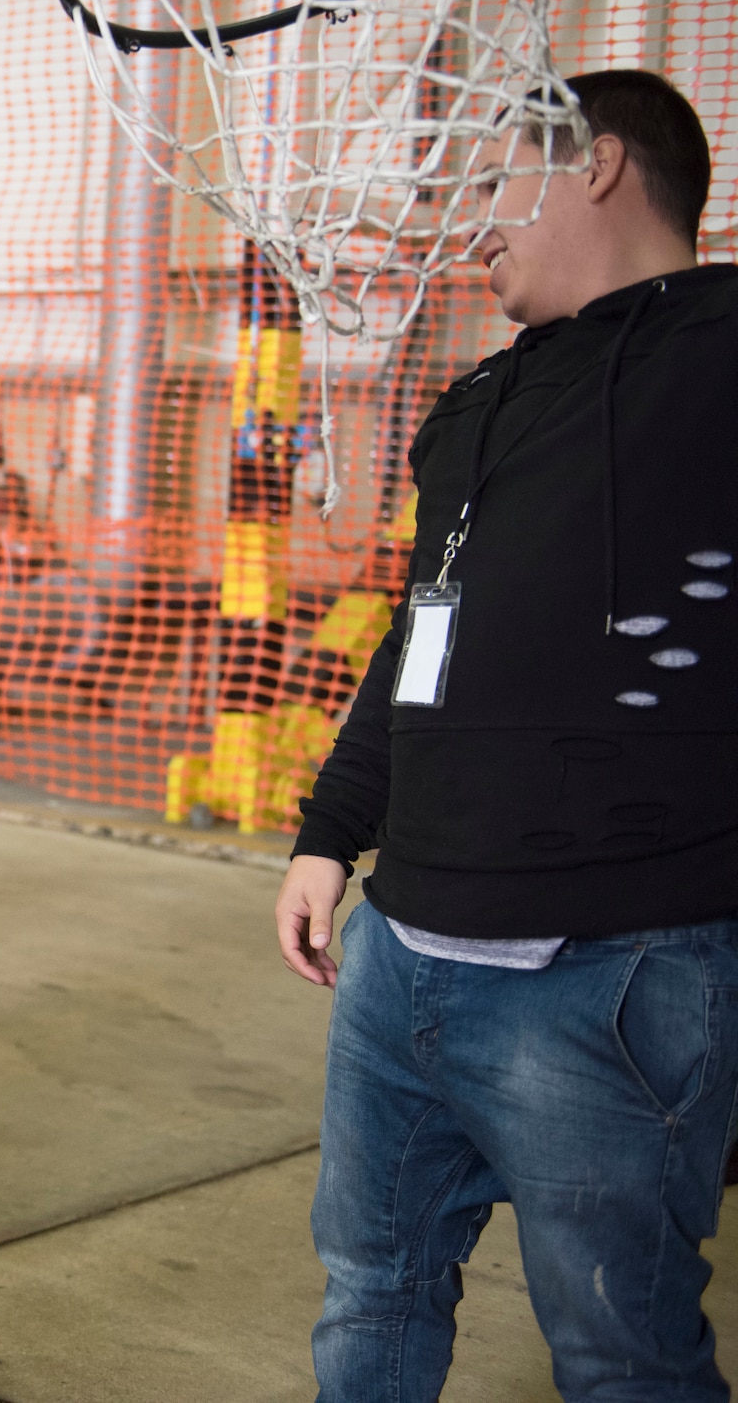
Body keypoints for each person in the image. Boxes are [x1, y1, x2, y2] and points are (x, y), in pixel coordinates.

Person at [276, 69, 738, 1402]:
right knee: (370, 1297)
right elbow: (424, 640)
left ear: (596, 167)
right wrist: (330, 834)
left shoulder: (719, 357)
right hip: (398, 955)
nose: (468, 223)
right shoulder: (473, 409)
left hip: (612, 970)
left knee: (621, 1357)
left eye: (490, 183)